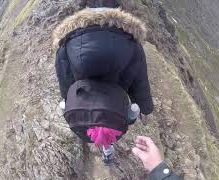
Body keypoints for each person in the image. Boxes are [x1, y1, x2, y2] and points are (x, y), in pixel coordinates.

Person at [53, 7, 154, 165]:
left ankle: (101, 145)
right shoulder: (133, 45)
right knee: (117, 123)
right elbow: (139, 80)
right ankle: (108, 150)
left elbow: (65, 77)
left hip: (83, 104)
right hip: (115, 109)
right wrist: (146, 107)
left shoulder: (67, 44)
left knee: (92, 126)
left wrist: (67, 98)